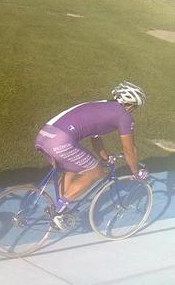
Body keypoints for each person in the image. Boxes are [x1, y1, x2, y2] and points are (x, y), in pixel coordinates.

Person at [34, 81, 148, 230]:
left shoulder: (102, 105)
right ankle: (58, 210)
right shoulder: (124, 116)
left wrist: (105, 158)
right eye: (135, 107)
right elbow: (129, 149)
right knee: (96, 171)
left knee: (73, 168)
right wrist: (136, 172)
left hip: (44, 136)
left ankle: (59, 208)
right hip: (61, 142)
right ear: (130, 104)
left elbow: (96, 138)